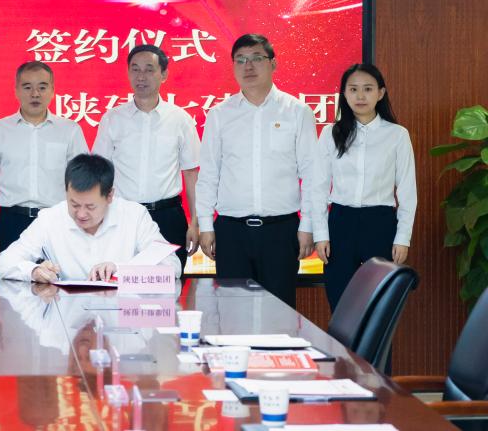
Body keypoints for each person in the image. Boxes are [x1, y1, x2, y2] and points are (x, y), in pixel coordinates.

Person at [195, 33, 324, 308]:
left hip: (281, 232)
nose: (248, 66)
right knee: (233, 314)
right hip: (231, 232)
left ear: (273, 64)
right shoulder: (219, 114)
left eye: (256, 58)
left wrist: (308, 225)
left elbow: (312, 175)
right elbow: (208, 175)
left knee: (280, 313)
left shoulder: (297, 111)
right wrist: (206, 225)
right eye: (240, 60)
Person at [314, 63, 416, 311]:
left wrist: (403, 238)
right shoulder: (330, 133)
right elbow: (318, 188)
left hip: (380, 223)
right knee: (340, 305)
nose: (360, 96)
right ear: (344, 94)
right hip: (340, 223)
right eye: (353, 89)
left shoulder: (397, 135)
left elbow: (407, 192)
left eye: (368, 89)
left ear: (380, 93)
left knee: (380, 306)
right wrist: (321, 235)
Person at [93, 44, 201, 270]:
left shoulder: (180, 119)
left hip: (168, 216)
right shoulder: (113, 118)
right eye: (135, 69)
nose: (141, 76)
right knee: (119, 282)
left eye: (149, 69)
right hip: (123, 217)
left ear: (164, 74)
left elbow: (191, 174)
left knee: (169, 283)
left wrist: (195, 222)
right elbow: (99, 174)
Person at [0, 154, 182, 282]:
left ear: (110, 196)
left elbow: (172, 267)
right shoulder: (50, 218)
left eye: (90, 206)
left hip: (120, 321)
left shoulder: (135, 215)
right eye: (74, 204)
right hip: (67, 319)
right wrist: (34, 271)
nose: (81, 214)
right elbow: (3, 264)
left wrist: (121, 270)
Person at [0, 61, 88, 263]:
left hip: (56, 223)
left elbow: (82, 182)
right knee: (9, 281)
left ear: (52, 90)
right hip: (11, 222)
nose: (35, 94)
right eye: (27, 87)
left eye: (42, 87)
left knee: (58, 280)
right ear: (16, 90)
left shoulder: (70, 130)